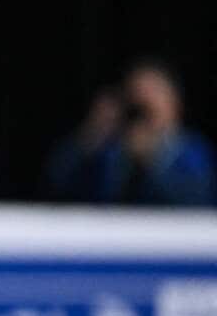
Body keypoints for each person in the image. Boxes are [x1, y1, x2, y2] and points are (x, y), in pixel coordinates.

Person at [49, 59, 214, 207]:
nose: (143, 100)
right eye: (135, 95)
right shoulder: (112, 152)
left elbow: (198, 202)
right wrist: (90, 137)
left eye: (153, 92)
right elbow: (58, 185)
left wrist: (151, 161)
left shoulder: (192, 150)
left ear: (174, 103)